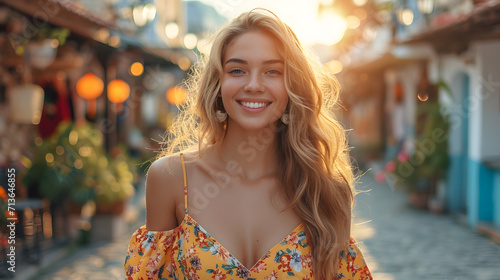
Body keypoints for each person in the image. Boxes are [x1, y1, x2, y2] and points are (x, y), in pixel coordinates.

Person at [123, 8, 372, 280]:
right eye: (238, 70)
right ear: (218, 84)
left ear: (293, 87)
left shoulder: (325, 190)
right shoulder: (170, 178)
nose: (254, 85)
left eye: (272, 71)